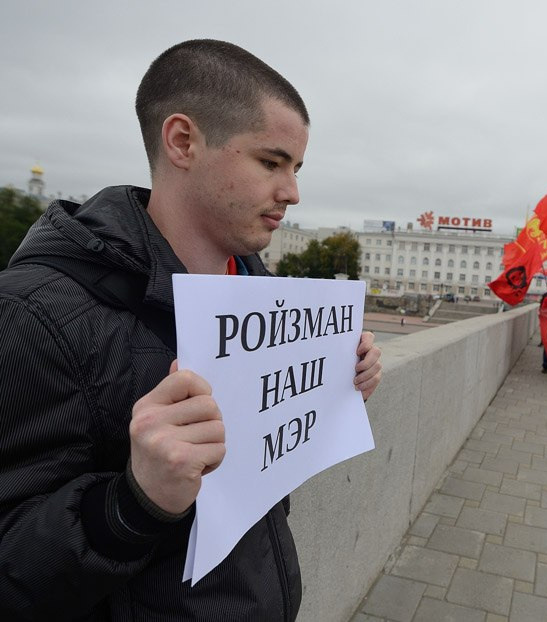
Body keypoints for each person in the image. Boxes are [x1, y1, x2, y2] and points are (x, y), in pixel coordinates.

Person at [0, 40, 383, 620]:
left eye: (297, 168)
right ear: (183, 141)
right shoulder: (37, 313)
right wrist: (134, 502)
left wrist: (335, 379)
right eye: (271, 162)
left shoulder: (260, 290)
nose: (293, 192)